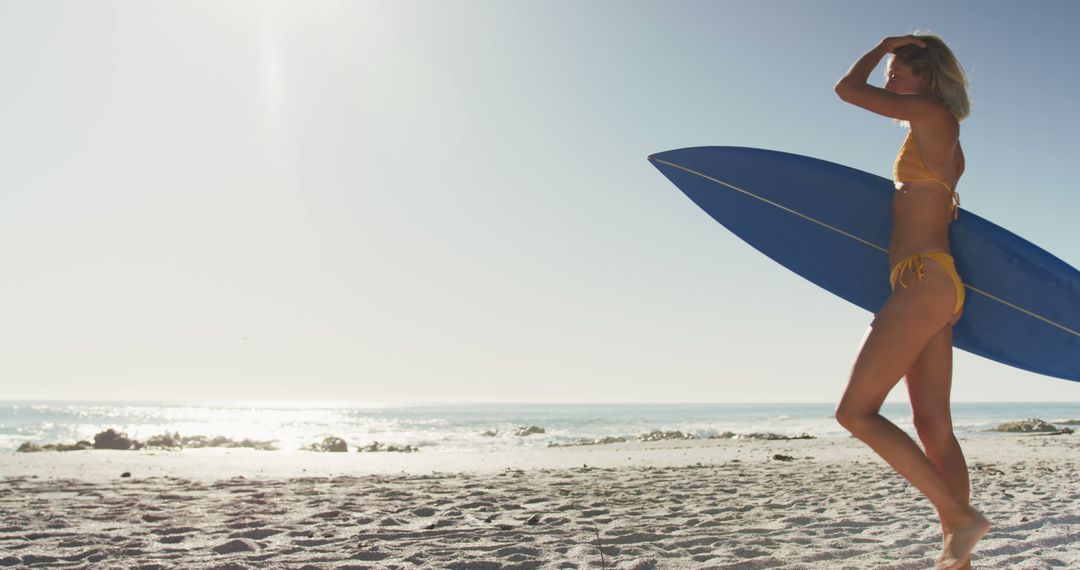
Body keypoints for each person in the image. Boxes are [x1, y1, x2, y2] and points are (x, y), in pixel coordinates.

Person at [833, 34, 989, 570]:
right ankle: (958, 556)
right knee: (933, 426)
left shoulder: (930, 112)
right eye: (889, 72)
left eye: (898, 72)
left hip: (922, 281)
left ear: (926, 76)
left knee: (855, 412)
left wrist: (878, 45)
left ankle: (961, 519)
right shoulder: (940, 129)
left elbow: (845, 90)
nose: (889, 81)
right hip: (934, 283)